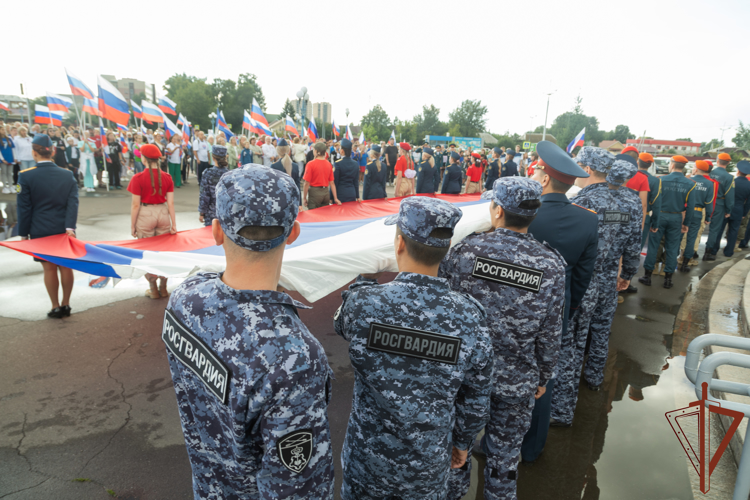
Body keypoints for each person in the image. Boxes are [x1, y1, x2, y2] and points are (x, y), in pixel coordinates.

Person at [164, 167, 335, 499]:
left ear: (215, 231)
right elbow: (299, 488)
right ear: (294, 232)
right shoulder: (293, 358)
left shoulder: (185, 299)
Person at [336, 196, 493, 500]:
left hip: (367, 464)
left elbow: (341, 324)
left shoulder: (363, 302)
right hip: (427, 466)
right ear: (445, 250)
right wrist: (462, 442)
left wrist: (365, 276)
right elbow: (477, 393)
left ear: (398, 244)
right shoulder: (470, 316)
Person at [442, 177, 566, 500]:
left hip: (465, 378)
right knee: (504, 458)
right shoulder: (550, 266)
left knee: (457, 453)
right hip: (517, 380)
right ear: (533, 215)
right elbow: (551, 332)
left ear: (496, 210)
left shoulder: (464, 253)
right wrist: (544, 375)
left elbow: (446, 314)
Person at [523, 140, 597, 462]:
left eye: (539, 169)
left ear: (543, 178)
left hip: (514, 304)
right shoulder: (588, 219)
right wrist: (569, 307)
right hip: (557, 309)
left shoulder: (525, 212)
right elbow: (583, 275)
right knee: (543, 376)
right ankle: (533, 447)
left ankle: (497, 438)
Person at [17, 134, 79, 318]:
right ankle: (67, 304)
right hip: (64, 229)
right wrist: (70, 227)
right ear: (52, 151)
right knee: (66, 266)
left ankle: (55, 306)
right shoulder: (67, 174)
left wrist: (23, 234)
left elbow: (24, 208)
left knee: (49, 268)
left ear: (34, 153)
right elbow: (72, 203)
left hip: (40, 229)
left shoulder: (26, 176)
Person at [639, 155, 696, 287]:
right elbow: (691, 207)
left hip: (661, 215)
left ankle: (647, 276)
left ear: (672, 164)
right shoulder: (690, 184)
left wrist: (654, 219)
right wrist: (686, 223)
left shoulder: (661, 180)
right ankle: (668, 279)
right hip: (676, 217)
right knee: (672, 247)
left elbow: (655, 201)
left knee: (654, 245)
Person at [128, 143, 176, 299]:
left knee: (147, 254)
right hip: (163, 213)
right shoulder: (167, 177)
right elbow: (171, 203)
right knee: (163, 253)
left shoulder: (138, 178)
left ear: (144, 159)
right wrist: (173, 224)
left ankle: (153, 289)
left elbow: (135, 205)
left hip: (145, 213)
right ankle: (164, 288)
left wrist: (133, 225)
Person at [679, 160, 714, 271]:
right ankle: (685, 264)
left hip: (684, 212)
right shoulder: (709, 184)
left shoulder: (689, 180)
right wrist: (708, 216)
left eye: (694, 167)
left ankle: (672, 260)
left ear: (696, 169)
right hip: (697, 212)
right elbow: (709, 203)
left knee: (678, 237)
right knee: (692, 238)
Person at [704, 152, 735, 260]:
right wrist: (728, 210)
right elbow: (729, 196)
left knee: (698, 228)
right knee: (714, 229)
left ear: (717, 161)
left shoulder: (709, 173)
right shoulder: (729, 177)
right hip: (719, 204)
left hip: (705, 202)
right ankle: (708, 253)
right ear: (728, 163)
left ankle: (692, 252)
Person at [719, 160, 750, 257]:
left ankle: (713, 250)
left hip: (726, 209)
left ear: (738, 171)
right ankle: (729, 252)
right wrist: (744, 213)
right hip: (739, 210)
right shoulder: (749, 185)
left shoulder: (732, 181)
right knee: (733, 231)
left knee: (720, 230)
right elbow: (748, 202)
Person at [303, 142, 341, 209]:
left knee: (313, 215)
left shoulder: (310, 164)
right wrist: (335, 198)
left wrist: (304, 198)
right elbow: (332, 183)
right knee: (324, 215)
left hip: (314, 193)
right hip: (326, 192)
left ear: (316, 151)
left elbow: (306, 183)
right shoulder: (329, 164)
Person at [199, 145, 230, 227]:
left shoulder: (207, 173)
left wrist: (202, 212)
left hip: (211, 214)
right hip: (227, 213)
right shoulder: (230, 174)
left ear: (213, 157)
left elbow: (204, 195)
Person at [333, 139, 360, 203]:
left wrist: (332, 197)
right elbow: (356, 182)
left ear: (342, 151)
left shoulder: (337, 163)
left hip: (340, 194)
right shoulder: (355, 163)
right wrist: (357, 196)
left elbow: (335, 182)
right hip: (352, 193)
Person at [0, 127, 14, 193]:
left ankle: (10, 186)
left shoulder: (9, 138)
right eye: (2, 129)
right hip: (3, 159)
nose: (4, 131)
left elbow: (13, 148)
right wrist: (2, 159)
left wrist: (14, 158)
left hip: (10, 159)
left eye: (4, 130)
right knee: (4, 173)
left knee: (10, 173)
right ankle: (4, 187)